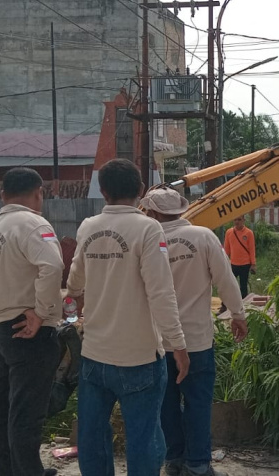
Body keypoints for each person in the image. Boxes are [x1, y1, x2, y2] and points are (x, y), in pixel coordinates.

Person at [65, 159, 190, 476]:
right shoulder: (148, 228)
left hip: (95, 356)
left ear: (103, 191)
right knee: (143, 438)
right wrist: (178, 345)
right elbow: (161, 293)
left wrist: (80, 294)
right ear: (141, 190)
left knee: (93, 438)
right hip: (140, 358)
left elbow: (75, 281)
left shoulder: (88, 226)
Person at [141, 188, 248, 476]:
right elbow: (226, 279)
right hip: (197, 340)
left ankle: (174, 460)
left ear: (153, 212)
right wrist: (238, 315)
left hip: (158, 341)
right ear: (180, 209)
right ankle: (198, 465)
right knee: (198, 403)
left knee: (166, 404)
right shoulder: (203, 237)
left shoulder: (147, 239)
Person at [0, 167, 63, 476]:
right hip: (28, 331)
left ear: (2, 196)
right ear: (39, 193)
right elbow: (52, 265)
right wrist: (41, 311)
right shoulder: (33, 224)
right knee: (26, 411)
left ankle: (10, 470)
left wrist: (1, 306)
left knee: (2, 407)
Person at [223, 215, 256, 299]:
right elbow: (226, 249)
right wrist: (224, 262)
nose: (237, 222)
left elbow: (252, 249)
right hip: (233, 264)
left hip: (245, 264)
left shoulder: (249, 233)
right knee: (229, 284)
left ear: (243, 220)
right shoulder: (229, 232)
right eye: (235, 220)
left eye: (239, 219)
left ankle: (243, 303)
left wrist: (253, 264)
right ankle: (227, 303)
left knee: (243, 286)